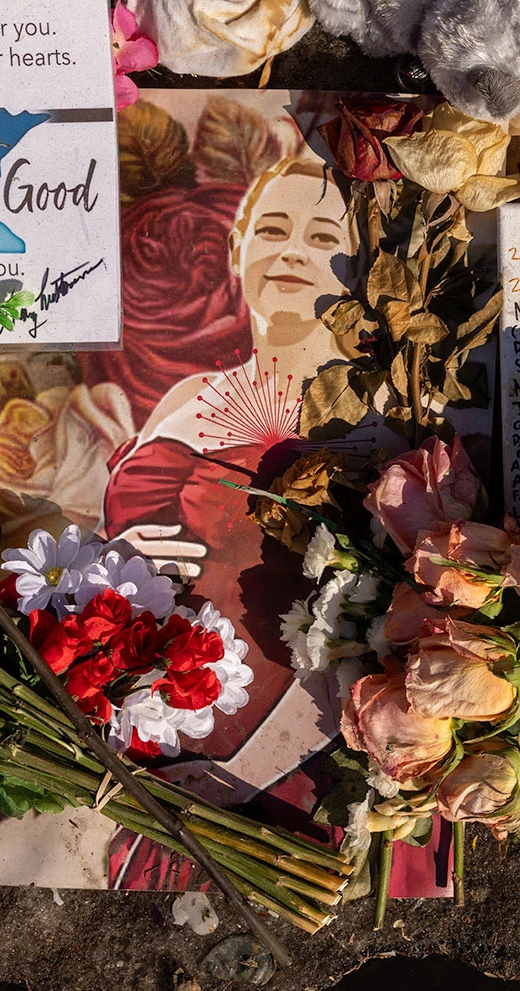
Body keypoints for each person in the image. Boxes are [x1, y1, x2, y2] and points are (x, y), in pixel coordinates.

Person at [99, 149, 356, 792]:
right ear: (238, 247)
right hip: (161, 701)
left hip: (298, 728)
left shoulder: (370, 411)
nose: (293, 252)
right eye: (272, 230)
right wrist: (117, 564)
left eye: (322, 237)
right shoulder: (186, 397)